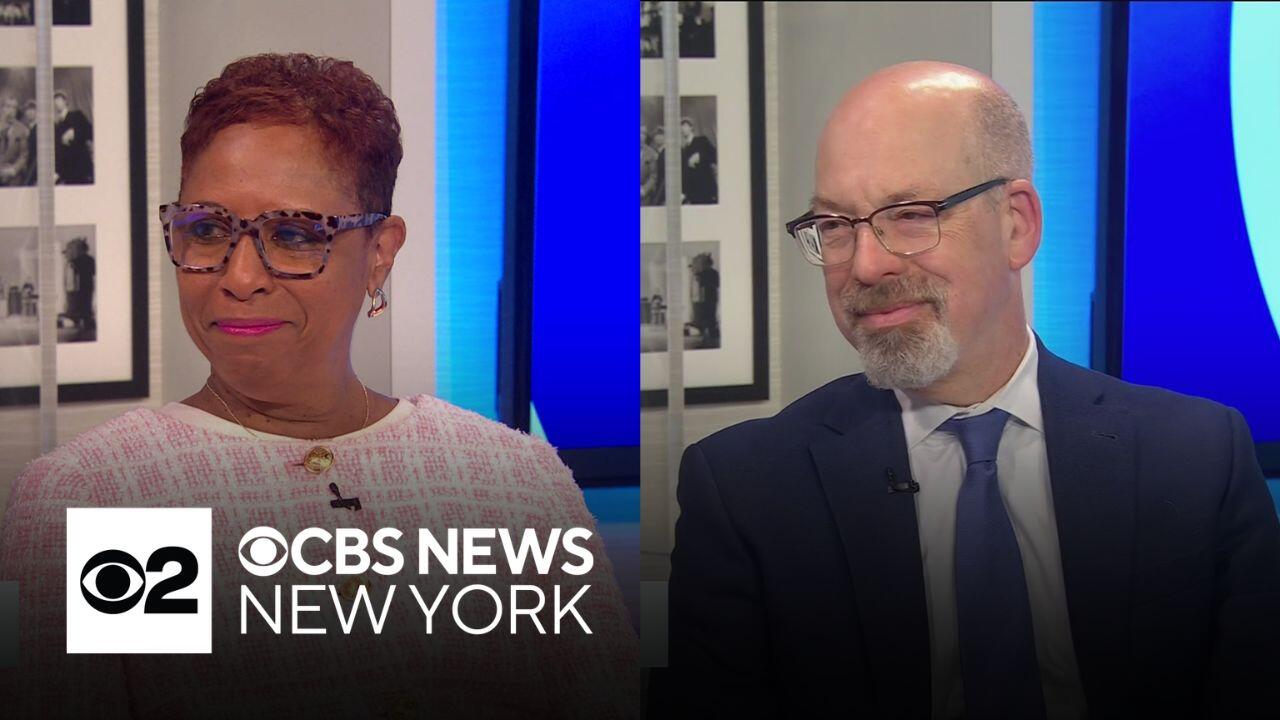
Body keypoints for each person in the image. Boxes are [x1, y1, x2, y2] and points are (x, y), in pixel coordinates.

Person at [0, 53, 637, 718]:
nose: (240, 277)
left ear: (380, 252)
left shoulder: (512, 483)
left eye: (294, 234)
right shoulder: (110, 499)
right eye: (208, 229)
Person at [661, 61, 1280, 718]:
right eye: (836, 226)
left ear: (1017, 225)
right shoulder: (743, 490)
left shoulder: (1199, 459)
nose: (864, 265)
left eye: (910, 215)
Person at [53, 89, 93, 184]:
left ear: (65, 101)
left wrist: (75, 132)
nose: (56, 103)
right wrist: (58, 172)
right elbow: (59, 151)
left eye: (59, 100)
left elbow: (89, 132)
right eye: (55, 101)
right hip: (67, 172)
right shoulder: (56, 125)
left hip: (81, 167)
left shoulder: (77, 115)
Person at [61, 236, 94, 335]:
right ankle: (85, 322)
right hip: (85, 288)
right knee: (85, 306)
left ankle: (82, 322)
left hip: (78, 289)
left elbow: (71, 280)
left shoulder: (75, 262)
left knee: (81, 306)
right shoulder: (89, 260)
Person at [679, 117, 716, 205]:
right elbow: (686, 173)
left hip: (706, 189)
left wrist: (700, 156)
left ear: (691, 127)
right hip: (693, 193)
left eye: (685, 126)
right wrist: (684, 192)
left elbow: (714, 155)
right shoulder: (684, 149)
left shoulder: (701, 140)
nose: (683, 129)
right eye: (681, 127)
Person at [0, 96, 29, 186]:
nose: (11, 110)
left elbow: (24, 154)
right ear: (2, 108)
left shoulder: (22, 129)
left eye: (14, 108)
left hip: (13, 176)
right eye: (8, 106)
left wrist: (14, 169)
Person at [641, 124, 660, 206]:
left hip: (643, 197)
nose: (640, 136)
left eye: (643, 134)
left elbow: (653, 176)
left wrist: (644, 190)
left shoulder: (651, 153)